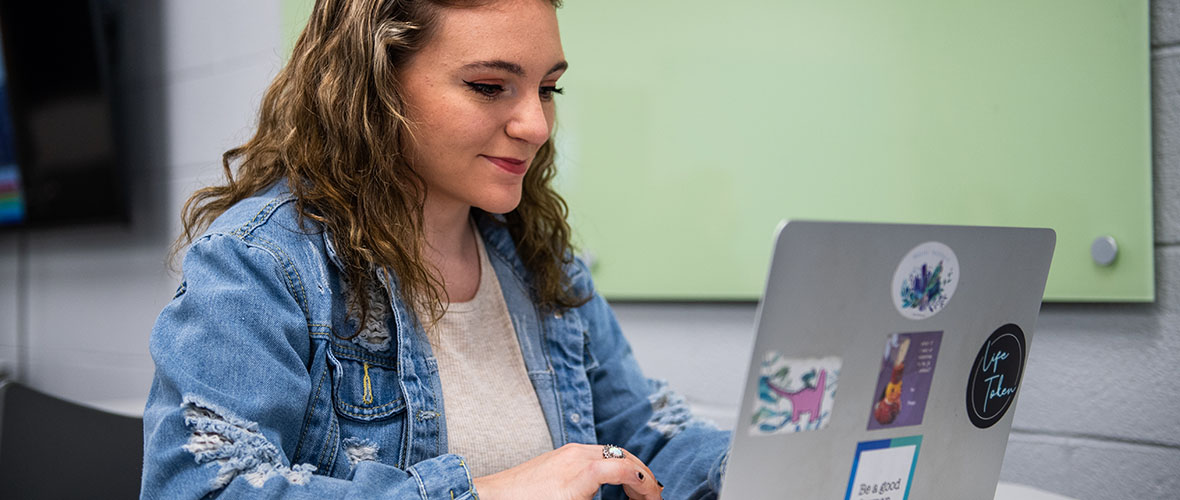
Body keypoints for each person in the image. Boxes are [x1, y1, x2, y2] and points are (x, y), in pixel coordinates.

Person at [140, 0, 730, 498]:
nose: (537, 125)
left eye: (548, 88)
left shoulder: (537, 259)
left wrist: (772, 461)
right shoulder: (260, 262)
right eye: (488, 87)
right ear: (372, 86)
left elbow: (642, 442)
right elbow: (205, 487)